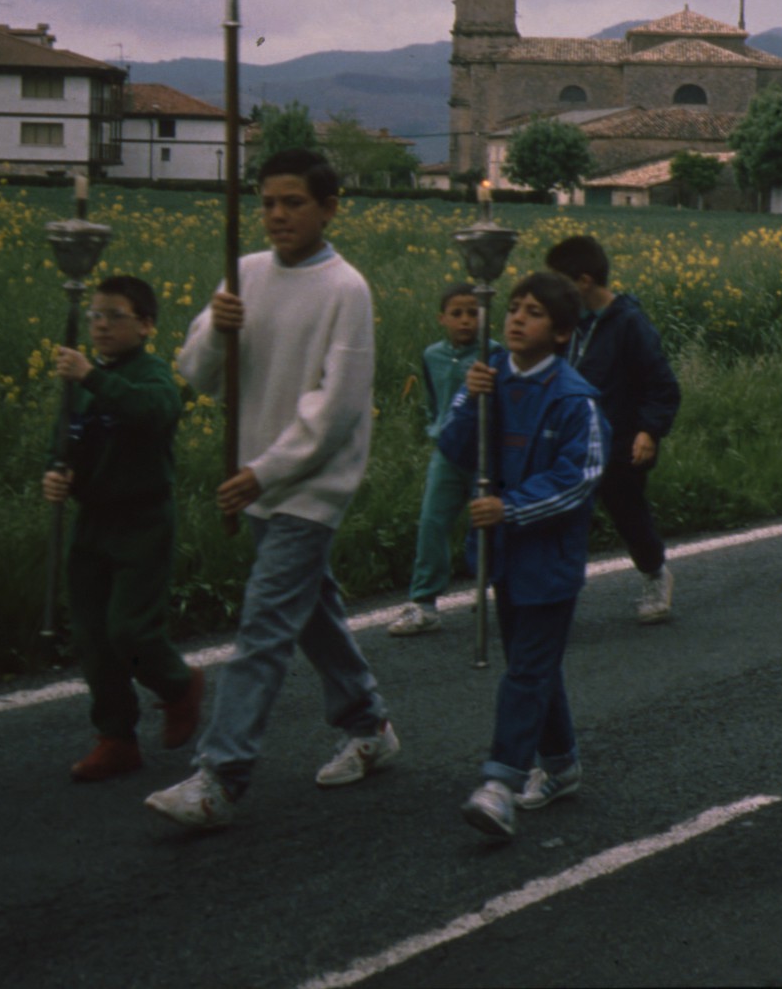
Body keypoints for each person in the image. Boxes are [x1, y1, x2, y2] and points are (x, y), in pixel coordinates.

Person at [149, 150, 391, 831]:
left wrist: (267, 470)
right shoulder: (246, 274)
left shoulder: (347, 289)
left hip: (310, 484)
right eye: (267, 203)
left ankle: (221, 774)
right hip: (257, 476)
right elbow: (193, 371)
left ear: (329, 206)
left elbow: (335, 405)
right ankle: (368, 721)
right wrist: (215, 330)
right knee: (310, 609)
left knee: (263, 624)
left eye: (293, 202)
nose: (278, 215)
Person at [451, 272, 609, 844]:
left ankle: (499, 782)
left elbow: (581, 477)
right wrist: (471, 398)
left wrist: (511, 508)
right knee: (531, 662)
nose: (516, 318)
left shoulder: (573, 399)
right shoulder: (488, 377)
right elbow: (451, 443)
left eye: (534, 312)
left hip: (548, 557)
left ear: (562, 332)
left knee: (526, 669)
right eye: (513, 307)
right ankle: (562, 764)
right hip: (501, 554)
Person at [40, 273, 201, 783]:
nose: (102, 325)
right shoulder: (86, 383)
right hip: (93, 523)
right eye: (95, 315)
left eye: (115, 315)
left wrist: (92, 377)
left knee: (129, 629)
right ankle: (116, 738)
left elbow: (154, 412)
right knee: (91, 635)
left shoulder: (149, 374)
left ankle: (178, 686)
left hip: (142, 521)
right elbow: (66, 438)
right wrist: (57, 472)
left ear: (147, 326)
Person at [546, 235, 682, 625]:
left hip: (618, 438)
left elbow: (662, 385)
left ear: (584, 281)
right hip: (570, 439)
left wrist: (649, 431)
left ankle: (655, 573)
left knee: (627, 511)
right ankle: (547, 593)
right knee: (559, 515)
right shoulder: (566, 322)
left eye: (560, 280)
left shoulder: (629, 323)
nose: (554, 290)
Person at [389, 286, 482, 637]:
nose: (465, 320)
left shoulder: (495, 355)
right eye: (456, 313)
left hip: (484, 455)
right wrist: (437, 427)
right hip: (447, 452)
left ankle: (495, 586)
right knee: (432, 521)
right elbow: (433, 399)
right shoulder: (433, 355)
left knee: (486, 526)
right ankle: (424, 603)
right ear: (442, 318)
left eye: (473, 312)